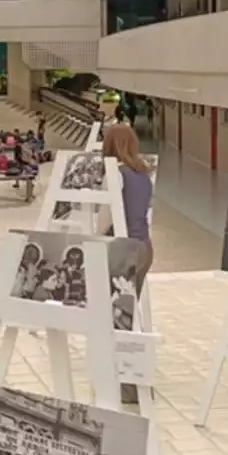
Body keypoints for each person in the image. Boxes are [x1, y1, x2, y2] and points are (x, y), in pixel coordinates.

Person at [101, 124, 155, 403]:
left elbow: (104, 219)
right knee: (131, 315)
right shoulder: (143, 172)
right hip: (145, 246)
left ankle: (130, 386)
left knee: (120, 318)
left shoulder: (115, 174)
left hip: (124, 250)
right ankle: (137, 380)